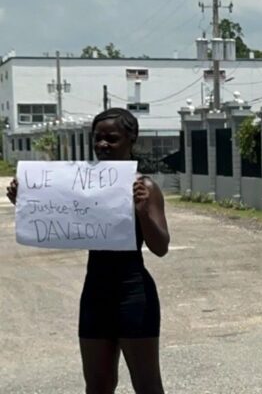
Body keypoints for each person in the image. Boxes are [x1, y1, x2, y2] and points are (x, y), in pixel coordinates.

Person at [7, 109, 171, 393]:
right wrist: (26, 201)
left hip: (134, 296)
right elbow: (57, 213)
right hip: (95, 294)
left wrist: (143, 212)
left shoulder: (143, 187)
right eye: (98, 139)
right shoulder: (82, 182)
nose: (103, 145)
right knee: (97, 385)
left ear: (131, 139)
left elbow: (161, 247)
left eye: (112, 138)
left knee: (147, 386)